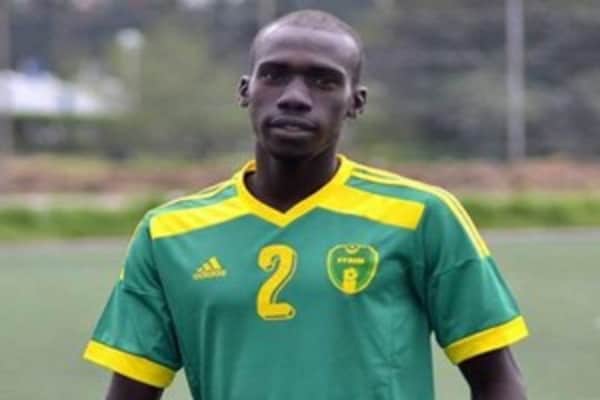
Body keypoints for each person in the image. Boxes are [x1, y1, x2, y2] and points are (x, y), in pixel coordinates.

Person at [83, 9, 528, 400]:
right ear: (245, 90)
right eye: (274, 75)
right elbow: (130, 394)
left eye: (323, 81)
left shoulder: (423, 216)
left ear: (355, 102)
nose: (294, 97)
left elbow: (497, 380)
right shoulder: (168, 234)